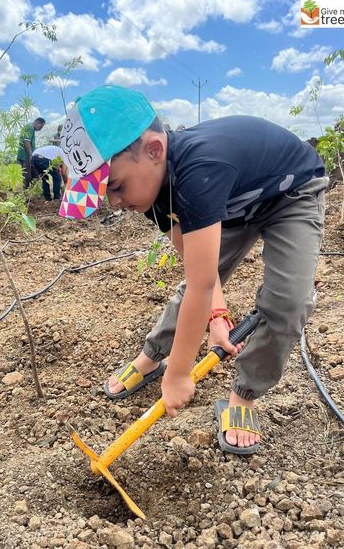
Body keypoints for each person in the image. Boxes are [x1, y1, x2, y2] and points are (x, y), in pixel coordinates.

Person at [58, 85, 327, 455]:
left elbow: (203, 285)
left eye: (116, 186)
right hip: (233, 203)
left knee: (288, 301)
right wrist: (217, 317)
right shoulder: (157, 190)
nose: (115, 203)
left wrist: (181, 373)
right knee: (194, 289)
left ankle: (245, 395)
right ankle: (152, 355)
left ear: (154, 149)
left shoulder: (200, 171)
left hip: (290, 193)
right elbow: (200, 275)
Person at [16, 118, 45, 188]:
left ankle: (31, 190)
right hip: (25, 156)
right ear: (37, 123)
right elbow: (26, 142)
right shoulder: (30, 128)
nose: (40, 129)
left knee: (32, 174)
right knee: (27, 176)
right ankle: (26, 193)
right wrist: (31, 155)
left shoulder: (28, 127)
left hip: (23, 156)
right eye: (41, 127)